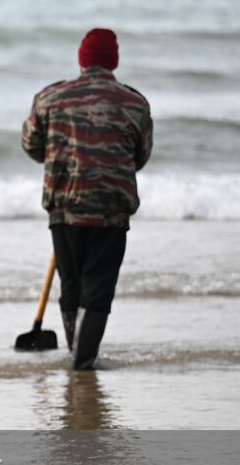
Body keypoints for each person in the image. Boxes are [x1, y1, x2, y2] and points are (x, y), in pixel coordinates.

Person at [22, 28, 153, 370]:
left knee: (71, 286)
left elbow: (31, 145)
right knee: (98, 292)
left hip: (65, 208)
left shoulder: (50, 98)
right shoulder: (135, 104)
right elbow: (141, 155)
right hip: (111, 211)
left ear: (81, 60)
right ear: (114, 61)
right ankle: (83, 360)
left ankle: (77, 359)